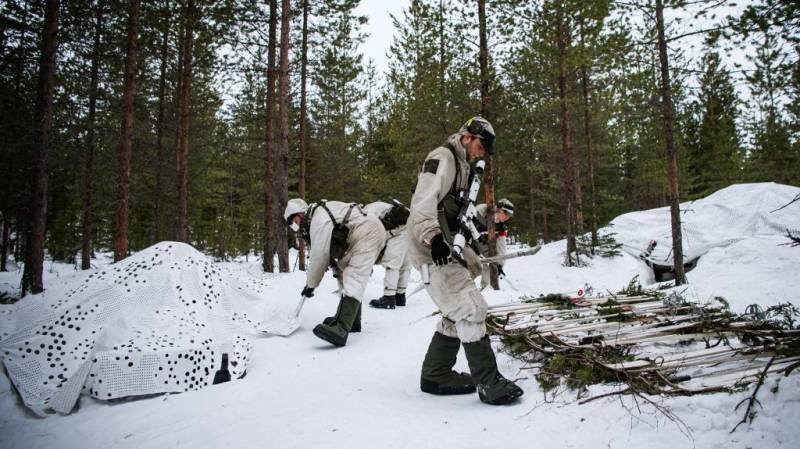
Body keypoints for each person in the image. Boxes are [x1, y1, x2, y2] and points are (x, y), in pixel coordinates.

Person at [406, 117, 524, 405]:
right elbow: (422, 202)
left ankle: (436, 374)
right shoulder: (443, 158)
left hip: (447, 247)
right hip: (432, 248)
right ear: (468, 137)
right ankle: (489, 383)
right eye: (481, 145)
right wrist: (432, 238)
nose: (482, 152)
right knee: (472, 308)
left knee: (456, 310)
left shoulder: (462, 168)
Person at [284, 198, 386, 347]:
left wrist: (311, 285)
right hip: (360, 234)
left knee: (354, 276)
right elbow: (329, 256)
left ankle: (341, 329)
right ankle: (350, 322)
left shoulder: (318, 219)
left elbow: (319, 257)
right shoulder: (316, 217)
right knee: (344, 275)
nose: (296, 227)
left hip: (368, 232)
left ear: (299, 214)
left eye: (294, 222)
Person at [363, 201, 412, 309]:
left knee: (392, 265)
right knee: (405, 265)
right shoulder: (377, 206)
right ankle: (400, 296)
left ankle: (389, 298)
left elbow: (375, 235)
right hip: (412, 228)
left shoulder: (366, 214)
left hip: (400, 232)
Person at [475, 198, 514, 289]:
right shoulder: (481, 210)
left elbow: (502, 246)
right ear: (500, 210)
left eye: (510, 216)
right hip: (470, 241)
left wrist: (499, 264)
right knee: (473, 265)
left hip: (485, 244)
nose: (507, 218)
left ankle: (486, 286)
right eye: (506, 214)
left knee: (492, 258)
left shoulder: (503, 225)